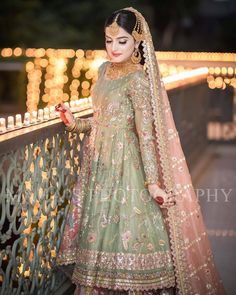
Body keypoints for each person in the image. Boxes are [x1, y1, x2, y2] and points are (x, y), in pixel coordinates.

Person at [56, 7, 226, 295]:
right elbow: (102, 121)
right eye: (109, 40)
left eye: (122, 41)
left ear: (137, 41)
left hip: (127, 170)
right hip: (98, 168)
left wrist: (152, 183)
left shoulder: (138, 80)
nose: (113, 48)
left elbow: (145, 136)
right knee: (98, 240)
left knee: (127, 240)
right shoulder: (103, 70)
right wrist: (74, 123)